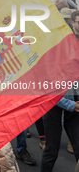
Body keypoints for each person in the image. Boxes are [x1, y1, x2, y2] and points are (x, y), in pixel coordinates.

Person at [41, 13, 79, 171]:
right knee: (52, 150)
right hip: (55, 104)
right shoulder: (50, 50)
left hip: (74, 101)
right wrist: (71, 104)